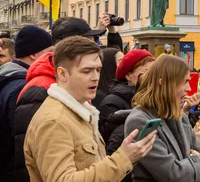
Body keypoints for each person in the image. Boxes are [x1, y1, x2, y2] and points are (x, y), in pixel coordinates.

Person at [24, 36, 157, 181]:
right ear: (62, 73)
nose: (95, 77)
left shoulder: (78, 111)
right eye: (86, 71)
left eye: (98, 70)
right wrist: (122, 158)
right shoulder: (54, 121)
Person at [124, 54, 200, 181]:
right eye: (184, 82)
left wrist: (195, 164)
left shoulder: (179, 117)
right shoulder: (140, 121)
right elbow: (173, 175)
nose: (188, 89)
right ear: (163, 83)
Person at [0, 25, 53, 181]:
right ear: (34, 55)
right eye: (49, 51)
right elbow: (25, 143)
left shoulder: (8, 78)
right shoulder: (24, 86)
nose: (53, 55)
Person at [99, 49, 155, 154]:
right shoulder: (112, 102)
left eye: (154, 73)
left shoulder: (153, 99)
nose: (151, 78)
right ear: (128, 75)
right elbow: (111, 145)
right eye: (146, 72)